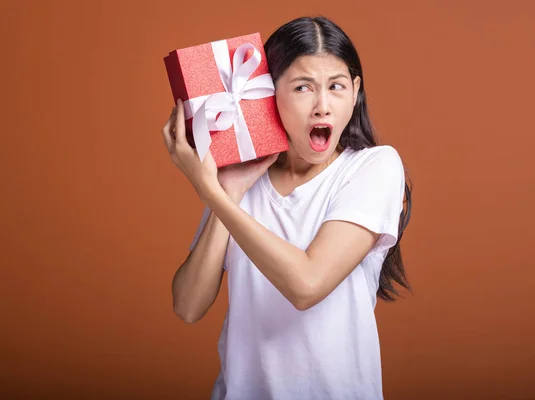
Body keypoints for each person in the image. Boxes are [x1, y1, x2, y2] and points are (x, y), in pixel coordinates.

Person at [161, 15, 413, 400]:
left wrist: (211, 193)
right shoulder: (237, 182)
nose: (322, 106)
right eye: (302, 87)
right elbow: (188, 305)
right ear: (269, 93)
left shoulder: (374, 168)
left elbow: (306, 285)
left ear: (355, 90)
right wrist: (228, 192)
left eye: (337, 86)